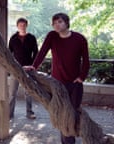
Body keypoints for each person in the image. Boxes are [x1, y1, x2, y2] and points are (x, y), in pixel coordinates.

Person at [24, 13, 90, 144]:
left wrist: (82, 77)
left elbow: (86, 60)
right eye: (54, 23)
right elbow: (42, 52)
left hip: (74, 84)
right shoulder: (52, 36)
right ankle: (68, 141)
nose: (56, 25)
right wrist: (34, 66)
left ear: (66, 22)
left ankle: (72, 138)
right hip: (57, 83)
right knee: (61, 114)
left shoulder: (79, 39)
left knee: (72, 114)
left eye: (59, 22)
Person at [8, 17, 38, 119]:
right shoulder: (13, 38)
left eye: (24, 25)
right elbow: (9, 54)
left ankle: (29, 112)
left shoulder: (32, 38)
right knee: (12, 93)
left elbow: (36, 53)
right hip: (15, 70)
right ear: (17, 26)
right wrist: (12, 66)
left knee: (28, 92)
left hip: (28, 69)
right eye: (20, 25)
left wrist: (33, 66)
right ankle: (10, 113)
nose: (22, 27)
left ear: (26, 26)